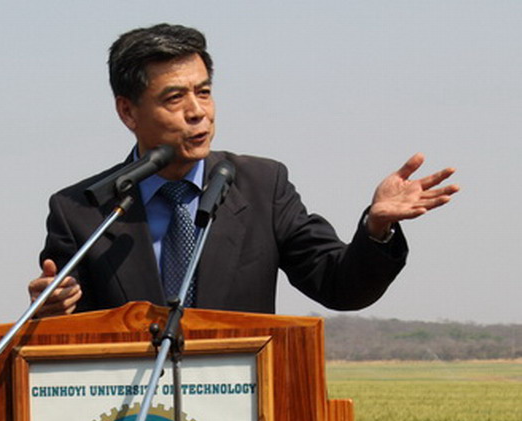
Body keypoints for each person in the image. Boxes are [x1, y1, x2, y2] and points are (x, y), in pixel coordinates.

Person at [28, 24, 458, 317]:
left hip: (240, 408)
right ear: (127, 111)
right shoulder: (82, 210)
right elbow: (67, 327)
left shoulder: (263, 187)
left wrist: (377, 228)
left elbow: (339, 285)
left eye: (204, 92)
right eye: (175, 98)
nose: (198, 112)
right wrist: (49, 309)